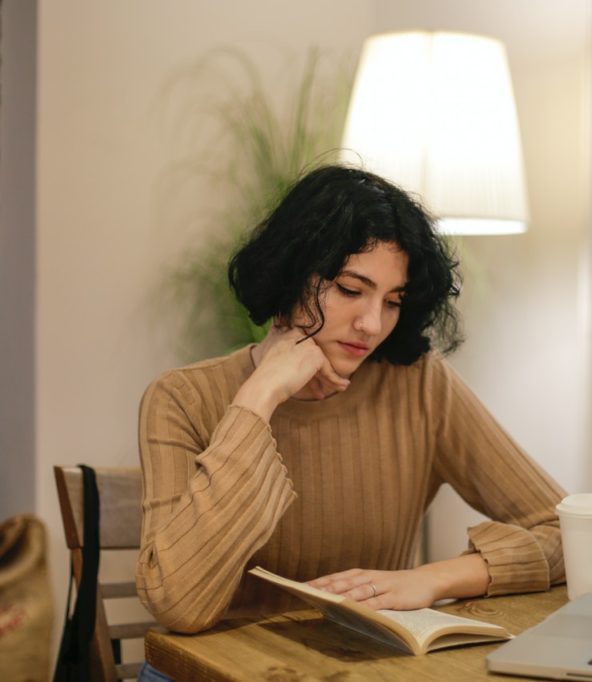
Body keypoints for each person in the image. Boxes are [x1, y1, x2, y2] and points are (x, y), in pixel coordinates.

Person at [135, 165, 566, 640]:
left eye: (392, 301)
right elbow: (177, 605)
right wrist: (259, 397)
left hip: (364, 665)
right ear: (291, 274)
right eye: (350, 290)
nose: (372, 324)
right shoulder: (180, 399)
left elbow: (565, 531)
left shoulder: (418, 385)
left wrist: (429, 579)